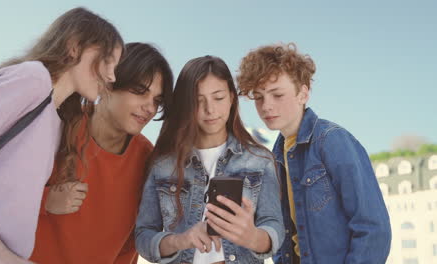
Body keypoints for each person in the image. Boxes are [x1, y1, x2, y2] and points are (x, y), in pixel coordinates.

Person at [0, 7, 123, 263]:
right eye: (107, 61)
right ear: (74, 46)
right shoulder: (34, 78)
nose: (112, 76)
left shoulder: (57, 120)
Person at [237, 42, 392, 263]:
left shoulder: (332, 141)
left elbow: (373, 230)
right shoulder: (275, 156)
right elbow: (285, 235)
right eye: (259, 97)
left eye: (277, 95)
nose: (266, 106)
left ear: (303, 92)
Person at [29, 42, 173, 264]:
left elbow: (129, 246)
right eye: (140, 91)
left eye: (157, 100)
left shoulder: (148, 160)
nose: (150, 108)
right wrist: (45, 201)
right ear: (108, 83)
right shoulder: (58, 123)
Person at [135, 55, 284, 264]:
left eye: (218, 97)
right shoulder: (162, 164)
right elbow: (143, 236)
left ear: (232, 98)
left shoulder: (260, 160)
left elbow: (274, 226)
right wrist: (181, 240)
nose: (210, 110)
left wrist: (252, 237)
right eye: (198, 101)